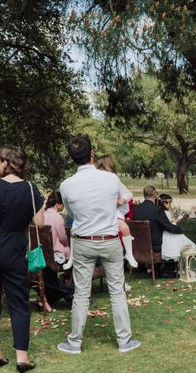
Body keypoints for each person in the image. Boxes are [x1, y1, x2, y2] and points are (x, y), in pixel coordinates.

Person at [57, 136, 140, 355]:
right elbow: (126, 198)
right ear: (92, 153)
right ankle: (124, 340)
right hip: (110, 240)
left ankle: (75, 342)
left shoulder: (66, 186)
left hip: (84, 242)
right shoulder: (111, 179)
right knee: (117, 292)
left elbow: (72, 214)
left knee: (82, 294)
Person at [0, 145, 44, 373]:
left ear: (4, 163)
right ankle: (22, 358)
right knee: (19, 304)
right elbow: (39, 223)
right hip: (13, 250)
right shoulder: (31, 189)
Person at [95, 155, 138, 268]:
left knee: (125, 228)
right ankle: (72, 258)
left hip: (113, 210)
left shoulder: (114, 179)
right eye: (99, 168)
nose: (101, 171)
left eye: (102, 168)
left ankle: (129, 254)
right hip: (98, 211)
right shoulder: (94, 180)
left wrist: (121, 199)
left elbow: (128, 193)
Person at [41, 192, 74, 309]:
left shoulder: (43, 215)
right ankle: (69, 287)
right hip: (55, 253)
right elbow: (63, 237)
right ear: (58, 204)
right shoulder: (57, 217)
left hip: (43, 253)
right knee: (71, 250)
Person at [158, 193, 196, 260]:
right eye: (170, 203)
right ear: (165, 203)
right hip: (168, 233)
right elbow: (171, 226)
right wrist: (177, 220)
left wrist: (173, 220)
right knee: (181, 240)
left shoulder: (160, 211)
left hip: (163, 233)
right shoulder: (167, 213)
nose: (170, 205)